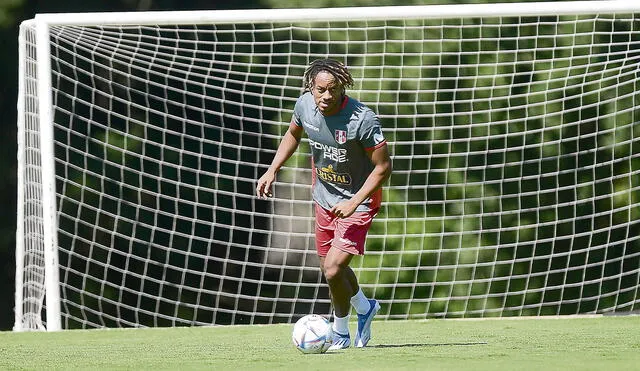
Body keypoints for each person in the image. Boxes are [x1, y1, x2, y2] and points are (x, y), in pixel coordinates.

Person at [256, 58, 392, 349]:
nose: (326, 96)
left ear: (343, 88)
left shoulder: (362, 119)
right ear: (311, 87)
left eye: (333, 89)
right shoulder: (304, 105)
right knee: (332, 270)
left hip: (359, 202)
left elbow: (383, 167)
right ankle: (365, 308)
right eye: (320, 90)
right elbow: (293, 134)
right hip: (324, 199)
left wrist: (356, 202)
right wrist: (272, 169)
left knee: (332, 270)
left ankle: (340, 331)